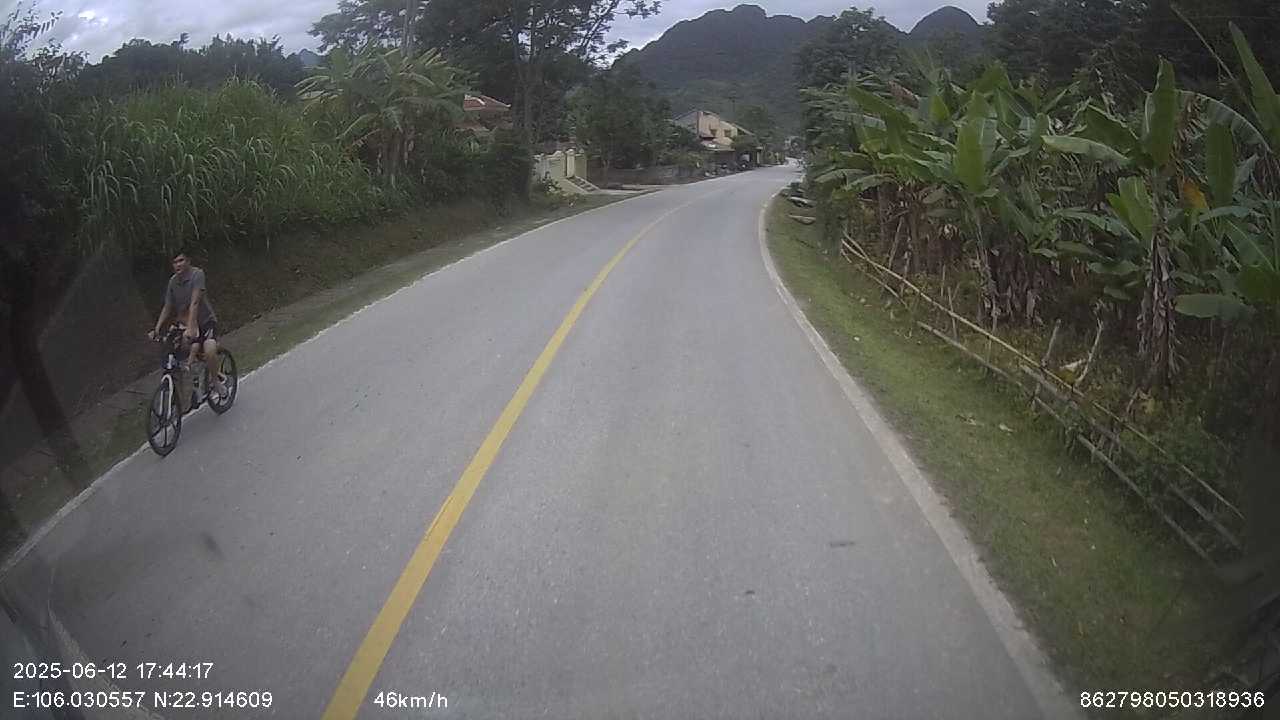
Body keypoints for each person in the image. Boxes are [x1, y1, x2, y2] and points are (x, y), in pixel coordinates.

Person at [149, 250, 227, 406]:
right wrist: (157, 329)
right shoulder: (173, 282)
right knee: (178, 352)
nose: (178, 265)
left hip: (205, 321)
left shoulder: (197, 275)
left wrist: (191, 327)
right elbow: (168, 306)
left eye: (181, 260)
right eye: (175, 262)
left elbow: (195, 302)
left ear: (188, 261)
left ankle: (215, 381)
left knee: (209, 350)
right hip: (185, 323)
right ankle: (184, 393)